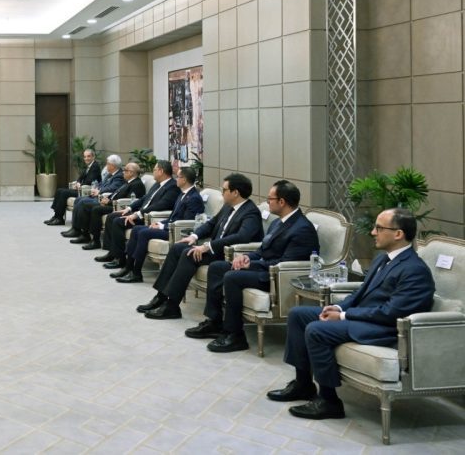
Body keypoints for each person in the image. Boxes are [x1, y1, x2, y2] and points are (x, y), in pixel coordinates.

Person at [267, 208, 434, 420]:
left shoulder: (414, 270)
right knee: (298, 315)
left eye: (379, 228)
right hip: (365, 318)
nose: (373, 232)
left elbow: (391, 313)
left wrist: (344, 316)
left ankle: (329, 401)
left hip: (385, 329)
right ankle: (303, 384)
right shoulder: (382, 259)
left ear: (398, 234)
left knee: (317, 330)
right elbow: (360, 293)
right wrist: (338, 308)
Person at [187, 180, 320, 352]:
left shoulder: (302, 229)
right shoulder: (278, 222)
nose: (267, 201)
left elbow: (284, 264)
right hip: (265, 268)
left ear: (282, 202)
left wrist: (252, 264)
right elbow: (262, 250)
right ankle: (215, 322)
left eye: (270, 198)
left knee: (232, 277)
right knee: (217, 267)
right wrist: (247, 257)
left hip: (276, 278)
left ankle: (235, 335)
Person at [138, 173, 264, 319]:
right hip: (216, 250)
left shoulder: (251, 212)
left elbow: (241, 237)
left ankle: (172, 306)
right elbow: (211, 224)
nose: (222, 193)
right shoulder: (228, 206)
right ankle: (161, 297)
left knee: (188, 255)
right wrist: (194, 236)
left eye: (224, 190)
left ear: (235, 193)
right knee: (178, 248)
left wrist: (208, 246)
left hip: (229, 255)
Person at [111, 166, 205, 282]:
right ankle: (128, 267)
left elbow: (186, 223)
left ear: (184, 180)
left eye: (178, 177)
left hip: (176, 232)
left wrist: (162, 226)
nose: (176, 179)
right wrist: (160, 223)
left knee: (144, 233)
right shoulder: (183, 194)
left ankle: (136, 273)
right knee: (137, 230)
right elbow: (172, 217)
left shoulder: (193, 198)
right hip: (169, 226)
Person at [98, 160, 180, 268]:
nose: (153, 172)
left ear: (161, 171)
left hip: (150, 217)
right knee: (112, 216)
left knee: (118, 222)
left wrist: (138, 214)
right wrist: (129, 208)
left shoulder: (173, 186)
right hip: (141, 213)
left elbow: (160, 205)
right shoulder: (157, 184)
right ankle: (112, 253)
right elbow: (144, 198)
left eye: (154, 170)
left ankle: (120, 259)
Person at [74, 162, 147, 250]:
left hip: (119, 207)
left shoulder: (137, 184)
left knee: (96, 209)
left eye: (125, 170)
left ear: (131, 172)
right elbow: (116, 193)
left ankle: (95, 240)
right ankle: (84, 233)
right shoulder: (128, 182)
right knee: (86, 204)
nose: (123, 172)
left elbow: (129, 201)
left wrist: (109, 202)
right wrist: (107, 199)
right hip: (112, 203)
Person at [62, 154, 125, 242]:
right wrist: (96, 188)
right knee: (78, 199)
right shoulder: (110, 174)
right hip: (98, 195)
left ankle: (85, 234)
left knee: (84, 203)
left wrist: (99, 191)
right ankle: (76, 228)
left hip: (104, 198)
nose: (106, 166)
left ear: (113, 165)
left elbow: (112, 188)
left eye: (107, 164)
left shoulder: (119, 176)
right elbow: (101, 184)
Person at [45, 149, 101, 226]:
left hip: (86, 191)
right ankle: (56, 216)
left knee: (64, 193)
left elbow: (89, 181)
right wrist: (78, 183)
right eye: (85, 157)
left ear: (93, 157)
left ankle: (59, 218)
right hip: (81, 188)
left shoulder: (95, 166)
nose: (86, 158)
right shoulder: (89, 166)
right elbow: (80, 177)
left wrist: (80, 185)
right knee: (59, 190)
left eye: (88, 156)